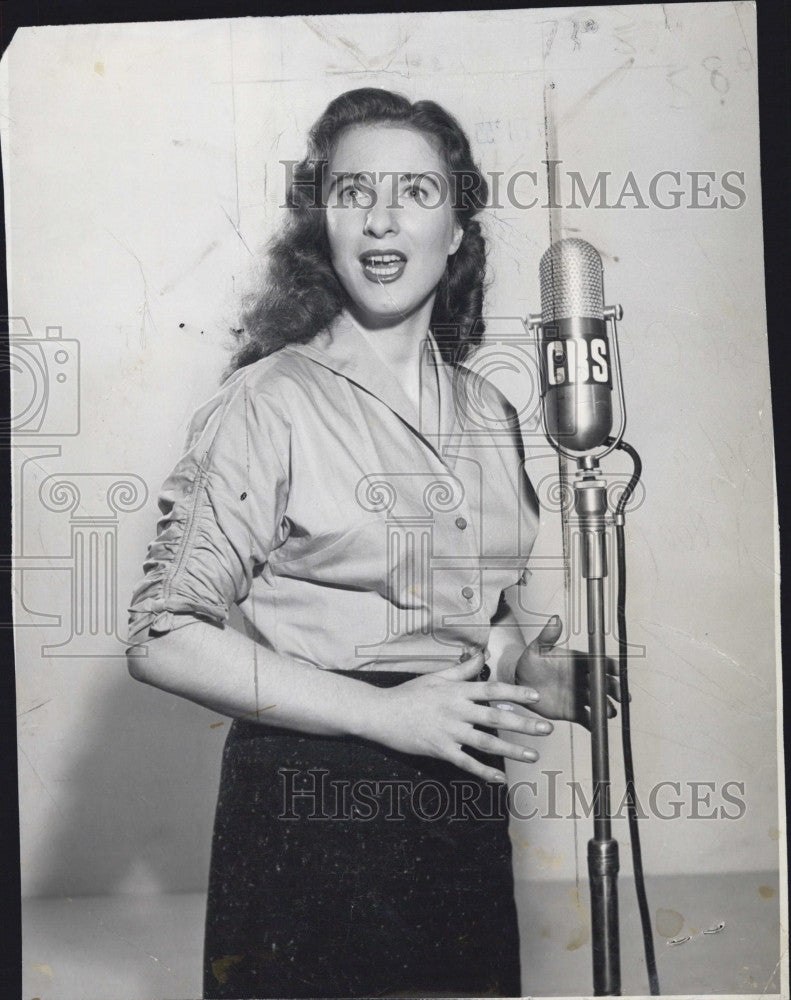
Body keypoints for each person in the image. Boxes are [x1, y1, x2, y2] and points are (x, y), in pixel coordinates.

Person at [127, 87, 617, 999]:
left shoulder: (489, 410)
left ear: (458, 228)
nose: (383, 219)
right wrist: (383, 713)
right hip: (306, 814)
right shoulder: (268, 401)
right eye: (355, 192)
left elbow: (462, 608)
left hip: (459, 803)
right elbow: (162, 633)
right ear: (324, 220)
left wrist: (521, 665)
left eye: (416, 193)